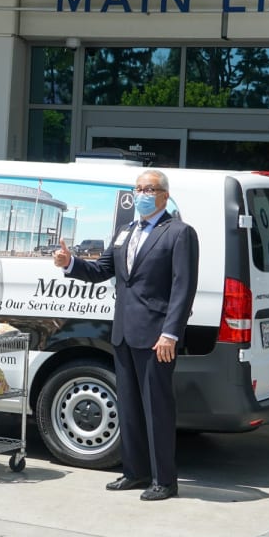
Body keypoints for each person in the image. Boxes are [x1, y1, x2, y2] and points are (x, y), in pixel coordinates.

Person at [53, 169, 199, 501]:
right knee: (129, 407)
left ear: (163, 195)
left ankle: (164, 480)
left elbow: (183, 288)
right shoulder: (125, 231)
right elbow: (101, 271)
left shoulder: (178, 233)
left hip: (156, 338)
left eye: (148, 189)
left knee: (156, 408)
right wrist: (69, 262)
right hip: (124, 333)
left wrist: (171, 334)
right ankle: (134, 472)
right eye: (138, 188)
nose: (142, 194)